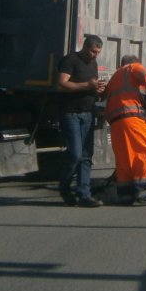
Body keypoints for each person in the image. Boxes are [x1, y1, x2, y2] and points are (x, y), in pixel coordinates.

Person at [104, 54, 146, 206]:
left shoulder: (114, 78)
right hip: (133, 119)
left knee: (124, 157)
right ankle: (144, 193)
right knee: (144, 153)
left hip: (116, 123)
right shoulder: (133, 67)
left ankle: (126, 195)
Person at [56, 34, 106, 207]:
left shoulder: (93, 63)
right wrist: (87, 86)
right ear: (85, 47)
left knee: (86, 156)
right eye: (93, 51)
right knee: (75, 153)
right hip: (70, 114)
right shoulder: (70, 60)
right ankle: (64, 188)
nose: (95, 55)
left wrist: (98, 89)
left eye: (98, 52)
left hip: (88, 113)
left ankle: (84, 194)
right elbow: (62, 84)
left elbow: (91, 86)